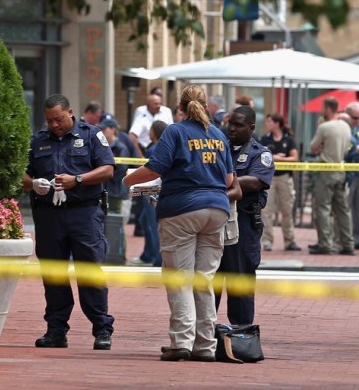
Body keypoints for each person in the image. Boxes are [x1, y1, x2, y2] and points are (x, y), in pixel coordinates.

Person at [124, 85, 235, 362]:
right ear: (206, 105)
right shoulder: (219, 135)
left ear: (180, 108)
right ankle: (205, 346)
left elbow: (153, 169)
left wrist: (127, 179)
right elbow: (230, 181)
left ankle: (181, 342)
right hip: (217, 210)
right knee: (203, 280)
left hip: (182, 211)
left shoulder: (175, 131)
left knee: (180, 278)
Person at [22, 94, 116, 351]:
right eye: (50, 120)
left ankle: (102, 329)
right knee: (54, 274)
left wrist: (79, 180)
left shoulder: (91, 135)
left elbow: (108, 169)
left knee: (89, 272)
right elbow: (22, 172)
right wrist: (33, 184)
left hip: (83, 213)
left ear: (71, 112)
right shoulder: (38, 140)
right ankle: (56, 331)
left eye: (59, 119)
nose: (54, 125)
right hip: (49, 214)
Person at [214, 106, 274, 327]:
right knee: (211, 281)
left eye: (239, 125)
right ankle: (205, 335)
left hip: (244, 225)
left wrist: (220, 182)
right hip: (216, 221)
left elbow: (256, 181)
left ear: (251, 127)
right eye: (231, 124)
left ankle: (241, 336)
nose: (232, 129)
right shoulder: (219, 148)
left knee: (240, 283)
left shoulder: (261, 153)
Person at [309, 96, 353, 255]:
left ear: (328, 109)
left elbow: (313, 147)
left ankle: (325, 244)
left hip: (326, 169)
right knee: (342, 209)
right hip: (340, 169)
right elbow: (347, 149)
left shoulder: (325, 127)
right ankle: (348, 243)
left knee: (323, 208)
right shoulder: (346, 127)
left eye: (323, 107)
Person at [259, 114, 301, 251]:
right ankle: (267, 241)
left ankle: (289, 241)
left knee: (287, 210)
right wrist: (275, 157)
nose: (267, 124)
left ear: (277, 123)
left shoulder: (289, 140)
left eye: (269, 121)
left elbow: (294, 158)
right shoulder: (265, 139)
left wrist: (279, 159)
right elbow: (261, 157)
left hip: (284, 177)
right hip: (269, 178)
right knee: (266, 211)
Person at [131, 120, 168, 267]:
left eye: (151, 129)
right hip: (153, 190)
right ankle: (147, 255)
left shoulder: (154, 149)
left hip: (151, 191)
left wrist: (137, 188)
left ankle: (156, 258)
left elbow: (149, 172)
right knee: (144, 220)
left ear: (155, 131)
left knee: (152, 223)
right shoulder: (162, 147)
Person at [346, 102, 359, 249]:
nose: (357, 120)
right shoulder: (345, 129)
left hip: (357, 172)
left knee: (357, 207)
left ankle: (356, 237)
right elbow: (349, 149)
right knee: (346, 207)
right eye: (355, 117)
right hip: (348, 174)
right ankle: (346, 238)